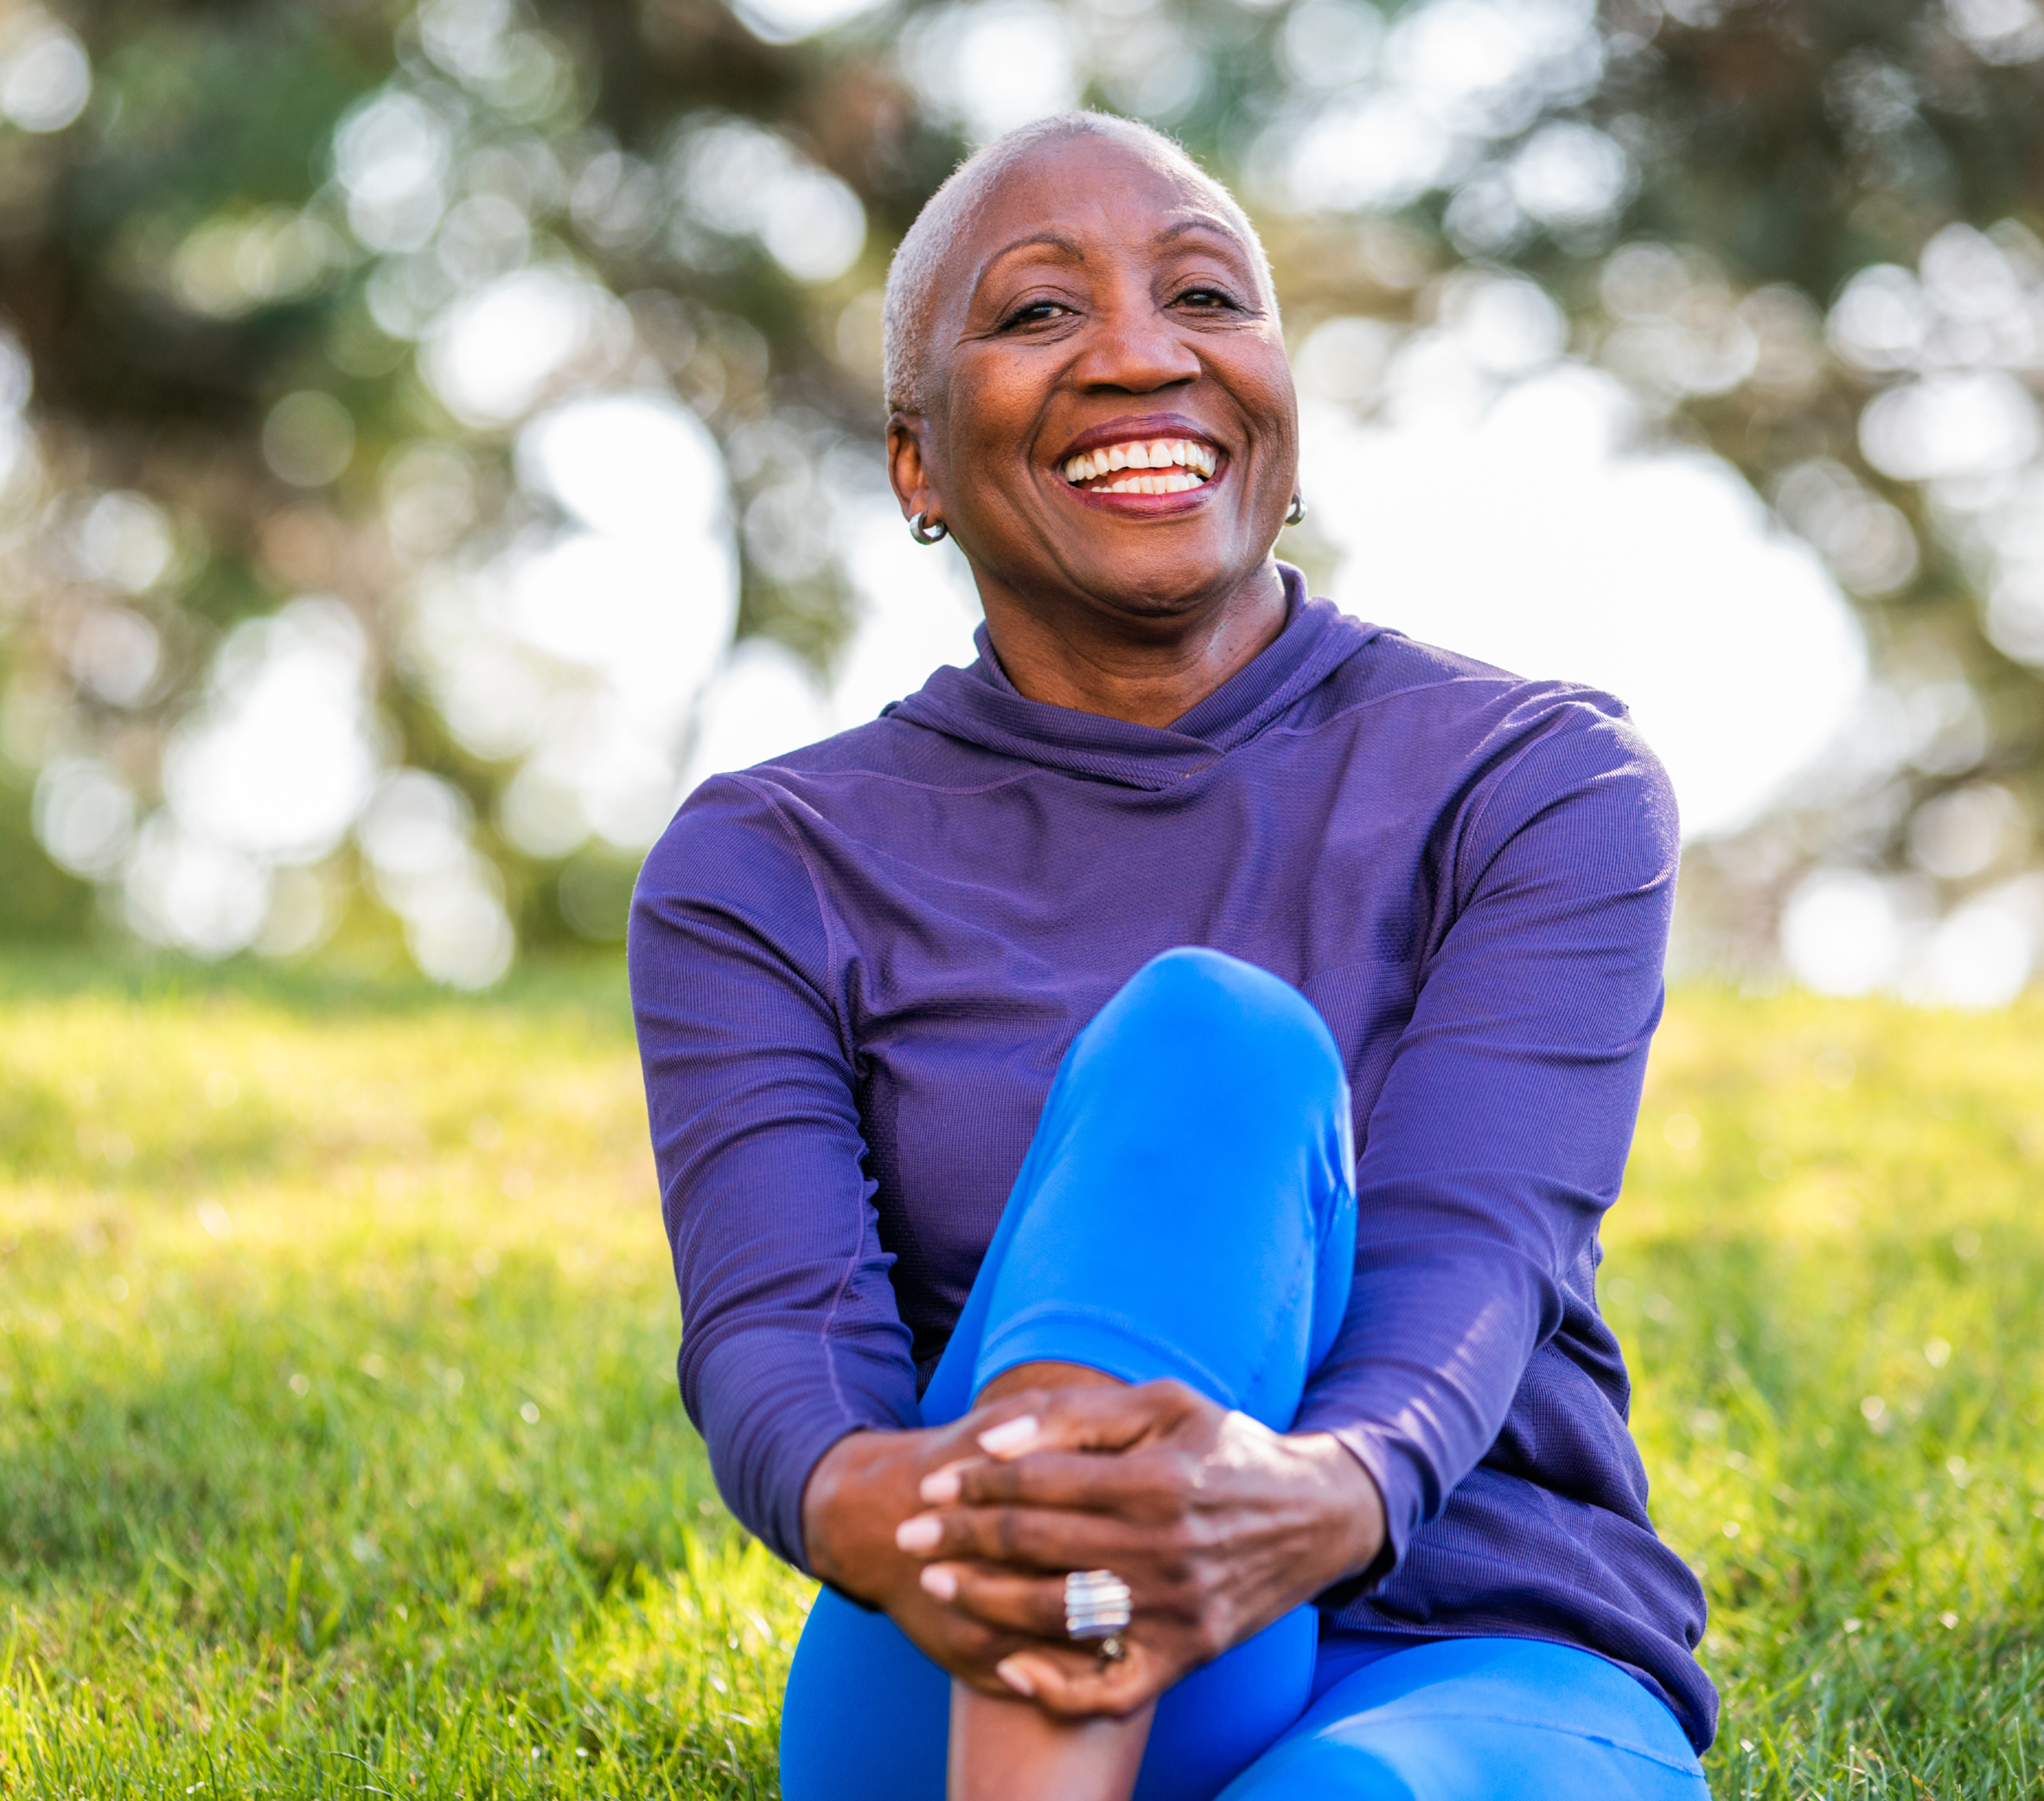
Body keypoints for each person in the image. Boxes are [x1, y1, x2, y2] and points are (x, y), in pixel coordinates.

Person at [627, 111, 1713, 1801]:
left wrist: (1311, 1500)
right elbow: (783, 1353)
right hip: (955, 1641)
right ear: (913, 464)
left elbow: (1477, 1254)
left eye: (1205, 300)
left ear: (1278, 406)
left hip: (1469, 1654)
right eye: (1035, 315)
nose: (1138, 355)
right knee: (1212, 1048)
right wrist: (1028, 1534)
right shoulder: (767, 862)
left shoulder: (1528, 780)